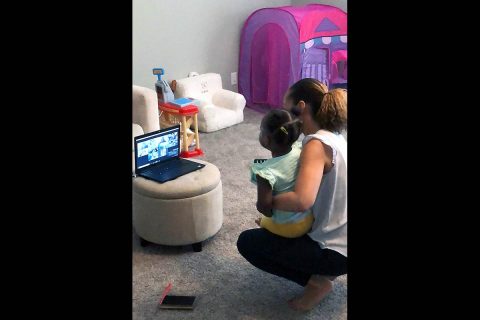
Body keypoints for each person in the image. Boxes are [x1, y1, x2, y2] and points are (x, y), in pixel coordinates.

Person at [237, 78, 347, 311]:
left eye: (287, 110)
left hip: (335, 251)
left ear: (302, 107)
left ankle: (317, 282)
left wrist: (268, 204)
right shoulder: (334, 134)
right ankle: (324, 269)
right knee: (274, 228)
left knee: (248, 243)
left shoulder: (315, 145)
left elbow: (302, 200)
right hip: (342, 238)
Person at [250, 109, 314, 238]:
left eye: (261, 131)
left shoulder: (265, 172)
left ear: (266, 139)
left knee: (264, 219)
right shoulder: (300, 149)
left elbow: (265, 208)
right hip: (308, 219)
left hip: (288, 228)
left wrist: (260, 207)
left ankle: (264, 224)